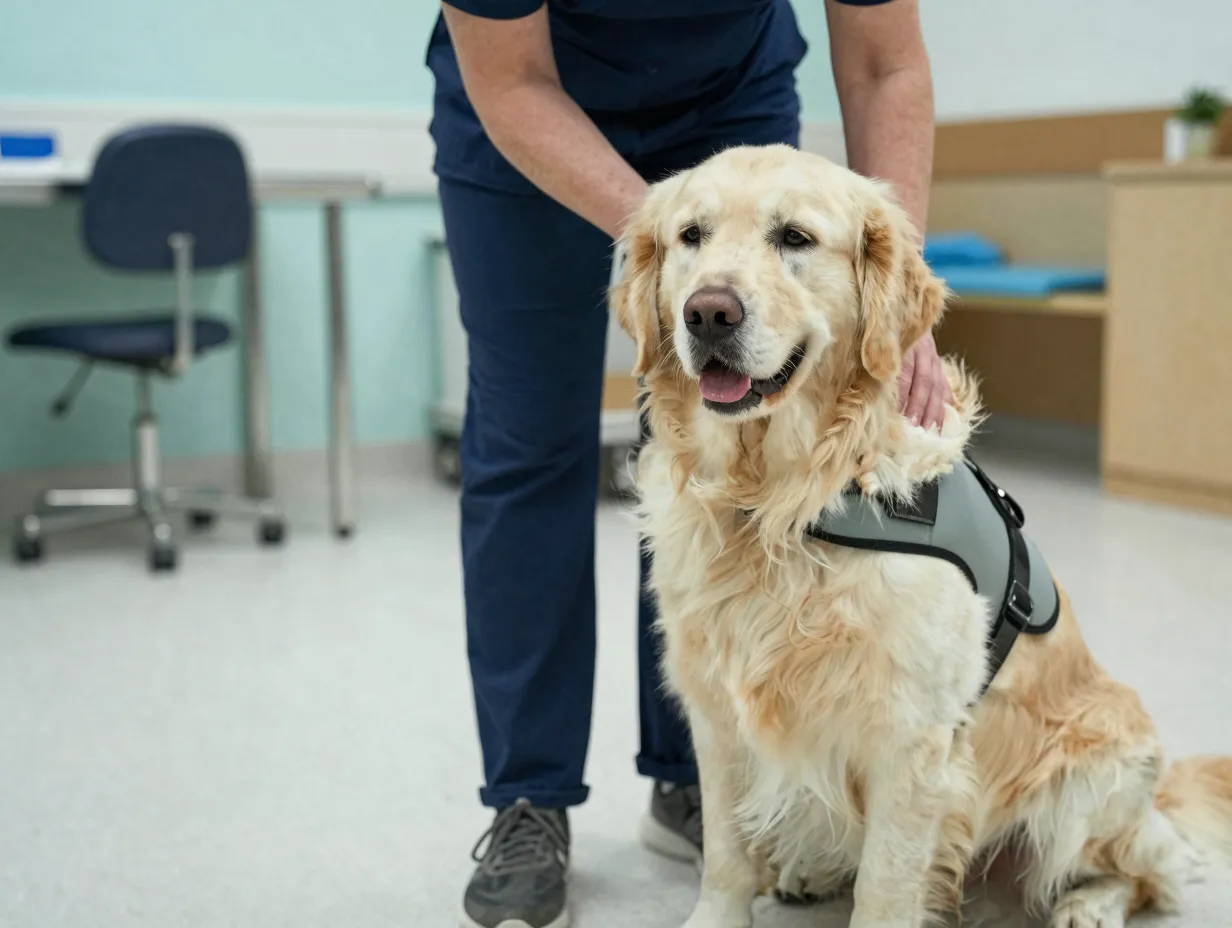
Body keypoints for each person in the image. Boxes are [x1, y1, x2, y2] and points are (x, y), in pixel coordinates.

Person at [425, 2, 949, 925]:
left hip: (725, 95)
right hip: (527, 109)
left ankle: (703, 784)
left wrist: (896, 295)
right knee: (526, 449)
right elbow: (509, 74)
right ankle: (528, 799)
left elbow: (884, 66)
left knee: (728, 458)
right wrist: (672, 238)